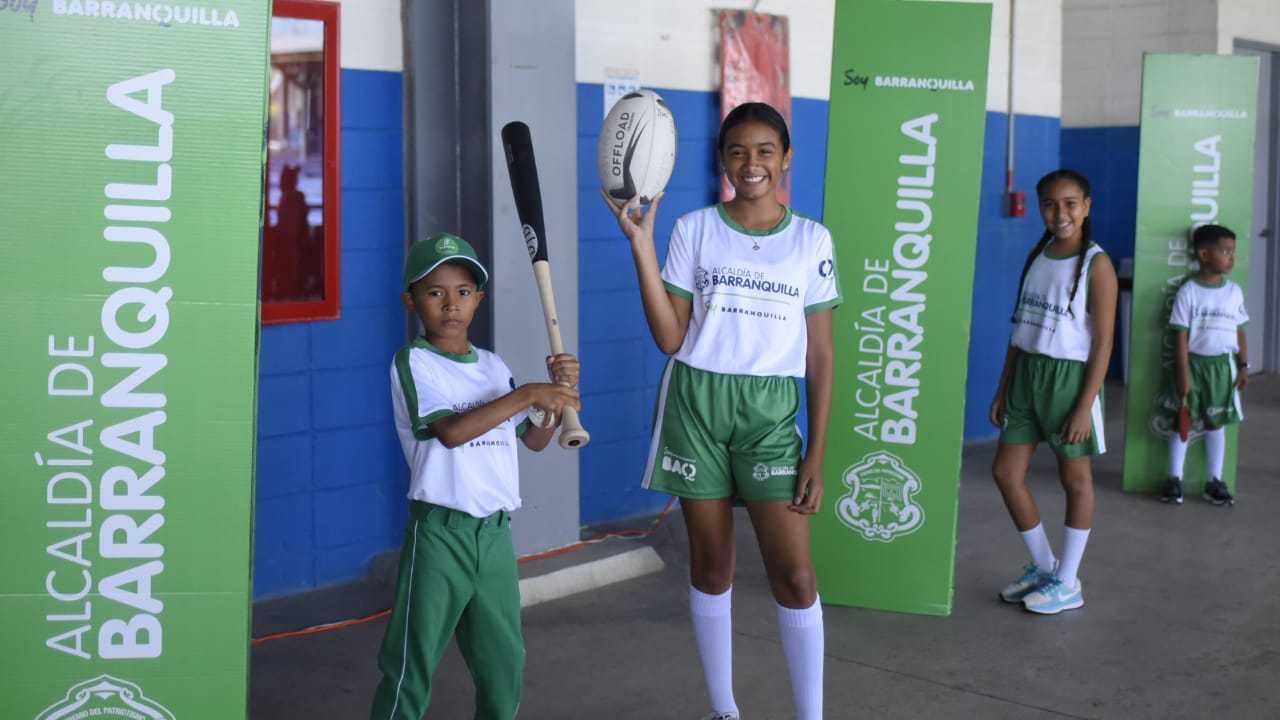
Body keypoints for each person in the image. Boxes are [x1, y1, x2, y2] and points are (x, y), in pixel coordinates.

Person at [604, 102, 839, 720]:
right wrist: (641, 245)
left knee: (795, 576)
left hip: (770, 416)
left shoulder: (812, 239)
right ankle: (724, 709)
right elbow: (670, 339)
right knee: (711, 565)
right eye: (738, 151)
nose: (751, 163)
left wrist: (815, 449)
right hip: (697, 407)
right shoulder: (693, 228)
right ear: (722, 160)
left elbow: (821, 352)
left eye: (765, 151)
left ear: (786, 159)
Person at [369, 232, 581, 720]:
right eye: (435, 292)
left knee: (504, 665)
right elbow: (450, 432)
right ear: (411, 300)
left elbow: (531, 439)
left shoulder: (492, 366)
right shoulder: (414, 362)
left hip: (495, 536)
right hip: (440, 534)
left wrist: (555, 398)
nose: (450, 304)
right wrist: (531, 392)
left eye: (463, 292)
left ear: (478, 299)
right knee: (410, 665)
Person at [989, 169, 1118, 616]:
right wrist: (1004, 386)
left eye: (1069, 203)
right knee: (1006, 472)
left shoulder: (1097, 264)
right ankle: (1046, 566)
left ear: (1086, 206)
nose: (1059, 213)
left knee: (1075, 480)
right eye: (1050, 204)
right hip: (1027, 374)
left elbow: (1103, 342)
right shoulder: (1037, 253)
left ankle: (1068, 581)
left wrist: (1085, 405)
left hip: (1069, 380)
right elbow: (1020, 328)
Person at [1160, 224, 1249, 506]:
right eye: (1225, 251)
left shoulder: (1234, 292)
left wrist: (1244, 365)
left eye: (1233, 252)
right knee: (1182, 421)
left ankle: (1214, 480)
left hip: (1223, 368)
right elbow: (1180, 335)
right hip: (1194, 366)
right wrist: (1184, 375)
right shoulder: (1189, 291)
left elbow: (1241, 331)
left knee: (1215, 421)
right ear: (1204, 254)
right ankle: (1174, 479)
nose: (1231, 257)